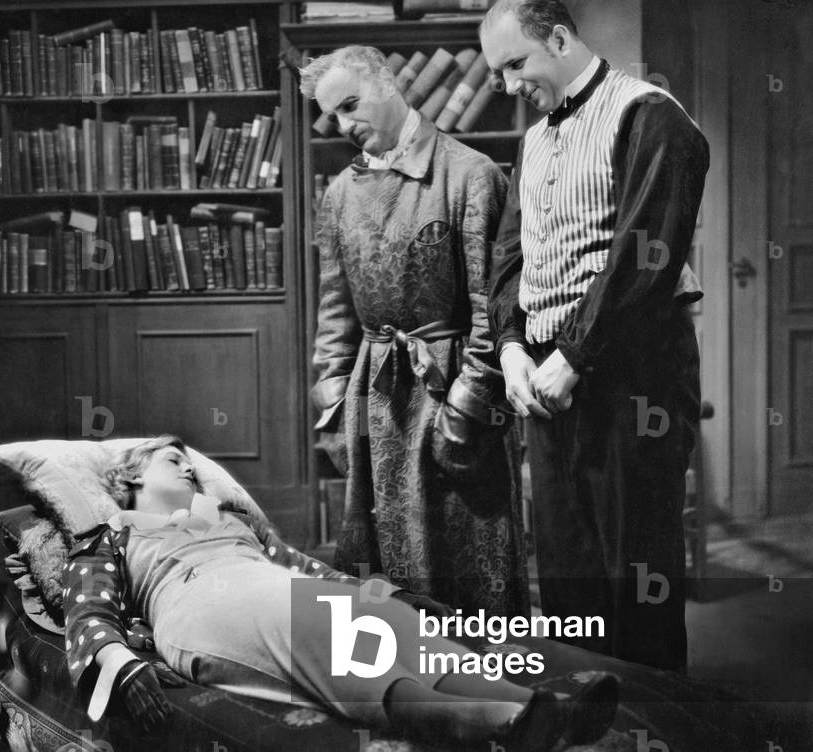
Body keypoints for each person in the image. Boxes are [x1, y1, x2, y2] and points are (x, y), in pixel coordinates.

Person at [62, 435, 618, 750]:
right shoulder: (113, 535)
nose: (190, 470)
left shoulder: (229, 521)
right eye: (172, 461)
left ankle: (543, 713)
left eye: (191, 463)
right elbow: (88, 612)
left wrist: (388, 596)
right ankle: (496, 724)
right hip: (197, 602)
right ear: (129, 479)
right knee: (329, 635)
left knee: (393, 626)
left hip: (267, 583)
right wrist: (121, 664)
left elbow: (305, 568)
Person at [480, 0, 709, 671]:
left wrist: (575, 355)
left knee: (633, 569)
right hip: (549, 376)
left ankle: (655, 730)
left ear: (557, 37)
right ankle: (589, 725)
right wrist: (511, 345)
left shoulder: (650, 114)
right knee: (567, 568)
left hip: (633, 375)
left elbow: (646, 252)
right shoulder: (532, 140)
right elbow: (509, 256)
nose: (508, 85)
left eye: (515, 64)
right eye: (496, 74)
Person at [300, 45, 529, 617]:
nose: (346, 126)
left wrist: (469, 406)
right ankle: (407, 699)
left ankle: (490, 697)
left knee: (468, 564)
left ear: (388, 81)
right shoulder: (338, 195)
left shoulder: (471, 175)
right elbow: (335, 312)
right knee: (385, 581)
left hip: (450, 393)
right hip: (373, 398)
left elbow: (493, 309)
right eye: (334, 116)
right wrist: (330, 405)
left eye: (352, 104)